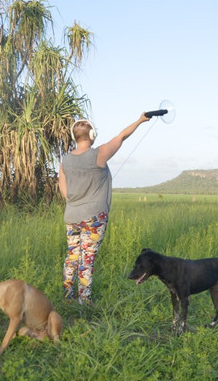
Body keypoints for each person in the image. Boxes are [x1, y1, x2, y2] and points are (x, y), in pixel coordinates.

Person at [58, 113, 151, 304]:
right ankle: (84, 301)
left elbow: (64, 191)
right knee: (87, 259)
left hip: (72, 216)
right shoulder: (98, 155)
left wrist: (77, 202)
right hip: (93, 218)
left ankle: (68, 297)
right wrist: (141, 120)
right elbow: (122, 136)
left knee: (72, 256)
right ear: (92, 134)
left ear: (74, 136)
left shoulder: (65, 161)